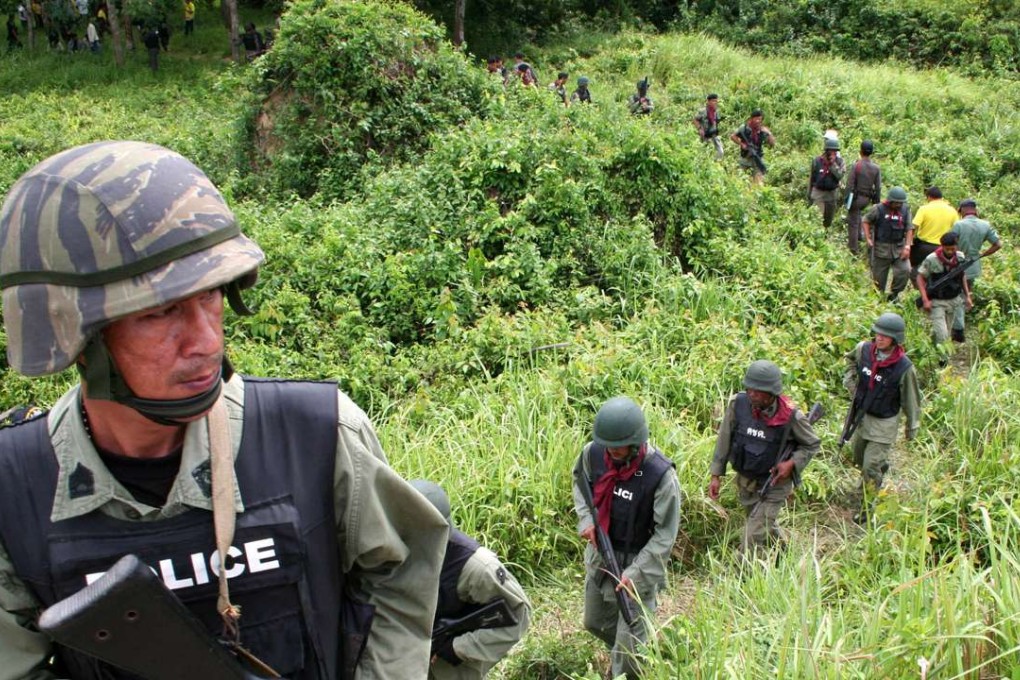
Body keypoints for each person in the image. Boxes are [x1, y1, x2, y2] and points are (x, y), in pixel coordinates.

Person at [0, 141, 448, 679]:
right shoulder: (14, 489)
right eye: (163, 312)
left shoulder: (316, 433)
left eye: (211, 297)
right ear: (71, 331)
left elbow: (399, 580)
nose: (206, 341)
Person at [572, 397, 679, 680]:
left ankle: (628, 662)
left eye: (618, 446)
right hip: (601, 555)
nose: (612, 451)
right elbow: (579, 483)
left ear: (635, 442)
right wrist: (586, 520)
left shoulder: (660, 475)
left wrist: (637, 573)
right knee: (593, 622)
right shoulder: (593, 454)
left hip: (638, 562)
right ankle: (628, 649)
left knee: (629, 653)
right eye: (608, 444)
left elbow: (665, 535)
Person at [410, 480, 531, 680]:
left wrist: (456, 648)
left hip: (448, 667)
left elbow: (518, 617)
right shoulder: (397, 551)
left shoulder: (476, 567)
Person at [708, 361, 820, 555]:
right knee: (760, 523)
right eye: (750, 389)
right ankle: (784, 554)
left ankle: (742, 577)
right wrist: (716, 475)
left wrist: (792, 463)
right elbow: (724, 438)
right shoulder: (738, 404)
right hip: (746, 480)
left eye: (758, 391)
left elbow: (812, 443)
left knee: (750, 537)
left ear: (772, 393)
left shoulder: (792, 416)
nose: (752, 394)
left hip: (775, 484)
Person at [843, 313, 921, 523]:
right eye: (878, 333)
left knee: (870, 467)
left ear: (895, 339)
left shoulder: (904, 368)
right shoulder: (864, 350)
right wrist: (851, 383)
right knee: (859, 458)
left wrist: (912, 428)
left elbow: (911, 400)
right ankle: (878, 468)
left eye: (885, 336)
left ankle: (866, 508)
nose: (880, 338)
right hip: (861, 417)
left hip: (884, 422)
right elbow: (849, 361)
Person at [949, 198, 1003, 342]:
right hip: (974, 265)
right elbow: (998, 244)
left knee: (959, 295)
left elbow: (949, 245)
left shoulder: (958, 225)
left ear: (962, 210)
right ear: (975, 210)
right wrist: (983, 254)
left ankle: (958, 329)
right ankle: (961, 320)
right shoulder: (985, 225)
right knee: (967, 293)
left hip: (958, 265)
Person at [916, 231, 972, 363]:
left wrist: (967, 295)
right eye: (947, 249)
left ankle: (935, 351)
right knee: (942, 334)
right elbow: (920, 277)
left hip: (954, 300)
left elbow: (962, 275)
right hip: (937, 302)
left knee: (945, 330)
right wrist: (925, 299)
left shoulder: (959, 257)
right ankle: (943, 361)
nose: (950, 251)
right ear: (942, 246)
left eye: (953, 248)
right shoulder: (931, 259)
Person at [862, 186, 913, 301]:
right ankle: (877, 298)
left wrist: (907, 246)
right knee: (879, 279)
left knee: (905, 270)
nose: (899, 205)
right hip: (881, 247)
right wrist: (868, 238)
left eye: (901, 203)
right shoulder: (878, 209)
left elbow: (909, 228)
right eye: (896, 203)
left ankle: (894, 294)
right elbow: (865, 220)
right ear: (890, 201)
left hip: (899, 247)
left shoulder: (905, 210)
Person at [910, 186, 959, 278]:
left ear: (929, 197)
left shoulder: (924, 209)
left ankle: (920, 288)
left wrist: (909, 242)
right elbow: (956, 229)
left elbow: (913, 227)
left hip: (923, 247)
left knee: (918, 271)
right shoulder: (952, 210)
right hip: (943, 248)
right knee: (940, 273)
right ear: (941, 197)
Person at [844, 140, 882, 255]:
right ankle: (860, 238)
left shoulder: (857, 165)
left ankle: (853, 249)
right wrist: (877, 202)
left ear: (860, 151)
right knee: (859, 217)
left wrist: (846, 200)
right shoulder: (876, 168)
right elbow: (878, 187)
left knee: (853, 222)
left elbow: (850, 184)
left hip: (856, 198)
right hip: (867, 199)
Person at [808, 137, 846, 228]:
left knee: (828, 221)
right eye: (831, 151)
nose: (833, 153)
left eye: (835, 151)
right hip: (818, 193)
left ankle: (825, 237)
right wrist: (809, 195)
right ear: (826, 150)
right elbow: (811, 179)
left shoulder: (840, 162)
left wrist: (833, 164)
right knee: (817, 219)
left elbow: (840, 176)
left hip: (831, 194)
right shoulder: (817, 161)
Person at [730, 109, 775, 185]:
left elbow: (772, 144)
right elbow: (733, 136)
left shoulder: (762, 130)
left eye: (760, 119)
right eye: (756, 119)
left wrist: (769, 133)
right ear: (751, 118)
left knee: (759, 184)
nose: (758, 121)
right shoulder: (744, 128)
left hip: (757, 158)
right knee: (740, 183)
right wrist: (742, 144)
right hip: (745, 159)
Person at [693, 93, 723, 160]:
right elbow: (695, 120)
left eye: (716, 101)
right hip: (705, 135)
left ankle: (716, 163)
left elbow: (717, 121)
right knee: (705, 153)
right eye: (713, 101)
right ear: (708, 101)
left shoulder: (716, 111)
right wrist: (700, 129)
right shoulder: (703, 111)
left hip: (714, 134)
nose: (715, 103)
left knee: (720, 151)